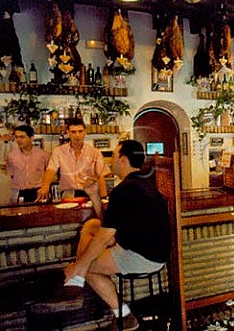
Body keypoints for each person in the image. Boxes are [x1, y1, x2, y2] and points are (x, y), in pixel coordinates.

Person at [35, 140, 171, 330]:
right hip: (153, 251)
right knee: (92, 224)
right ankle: (79, 275)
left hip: (142, 256)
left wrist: (79, 266)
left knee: (87, 265)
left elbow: (105, 236)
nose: (110, 161)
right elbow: (109, 223)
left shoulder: (125, 190)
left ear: (123, 160)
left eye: (114, 156)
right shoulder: (140, 184)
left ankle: (124, 316)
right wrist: (95, 195)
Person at [36, 118, 109, 216]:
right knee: (68, 220)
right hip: (68, 195)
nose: (77, 135)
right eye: (73, 132)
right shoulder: (59, 151)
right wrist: (45, 186)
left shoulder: (95, 152)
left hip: (90, 194)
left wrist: (103, 197)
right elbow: (51, 169)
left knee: (91, 221)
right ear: (68, 133)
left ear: (85, 132)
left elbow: (100, 176)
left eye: (80, 131)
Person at [6, 125, 50, 203]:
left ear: (31, 138)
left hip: (38, 191)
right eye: (16, 137)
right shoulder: (11, 156)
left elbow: (49, 173)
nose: (19, 140)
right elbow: (12, 175)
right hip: (19, 192)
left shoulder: (43, 155)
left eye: (22, 137)